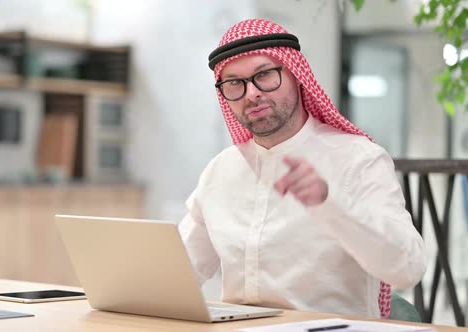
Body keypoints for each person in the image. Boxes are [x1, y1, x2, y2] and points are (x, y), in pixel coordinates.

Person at [178, 18, 426, 319]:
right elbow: (178, 273)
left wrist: (331, 205)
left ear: (295, 74)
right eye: (234, 83)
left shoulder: (358, 159)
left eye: (265, 75)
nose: (251, 93)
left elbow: (407, 269)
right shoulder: (220, 170)